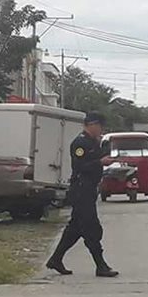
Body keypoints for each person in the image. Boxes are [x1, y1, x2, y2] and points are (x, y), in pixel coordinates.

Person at [46, 111, 119, 278]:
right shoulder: (80, 143)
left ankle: (56, 259)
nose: (101, 130)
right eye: (99, 126)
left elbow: (98, 158)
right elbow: (80, 166)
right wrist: (100, 162)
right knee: (91, 228)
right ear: (92, 125)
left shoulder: (93, 142)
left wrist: (106, 156)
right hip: (81, 190)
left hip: (89, 189)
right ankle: (101, 265)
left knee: (75, 228)